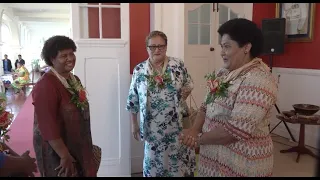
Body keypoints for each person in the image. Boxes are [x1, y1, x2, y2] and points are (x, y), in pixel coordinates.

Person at [179, 18, 278, 177]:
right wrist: (193, 130)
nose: (222, 52)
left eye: (227, 46)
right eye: (221, 47)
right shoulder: (222, 73)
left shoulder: (259, 80)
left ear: (246, 47)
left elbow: (235, 131)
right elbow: (205, 106)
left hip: (242, 163)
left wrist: (197, 139)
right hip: (212, 160)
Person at [126, 30, 196, 177]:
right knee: (154, 166)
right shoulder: (139, 70)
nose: (157, 50)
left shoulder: (177, 65)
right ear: (147, 48)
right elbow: (133, 99)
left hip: (178, 125)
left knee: (178, 164)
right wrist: (134, 124)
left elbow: (189, 84)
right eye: (153, 47)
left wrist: (183, 94)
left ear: (166, 47)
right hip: (152, 129)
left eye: (161, 46)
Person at [32, 35, 97, 177]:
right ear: (52, 59)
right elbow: (47, 125)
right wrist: (64, 155)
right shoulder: (46, 85)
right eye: (63, 56)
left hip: (77, 144)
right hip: (58, 153)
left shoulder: (74, 79)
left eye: (71, 53)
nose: (70, 58)